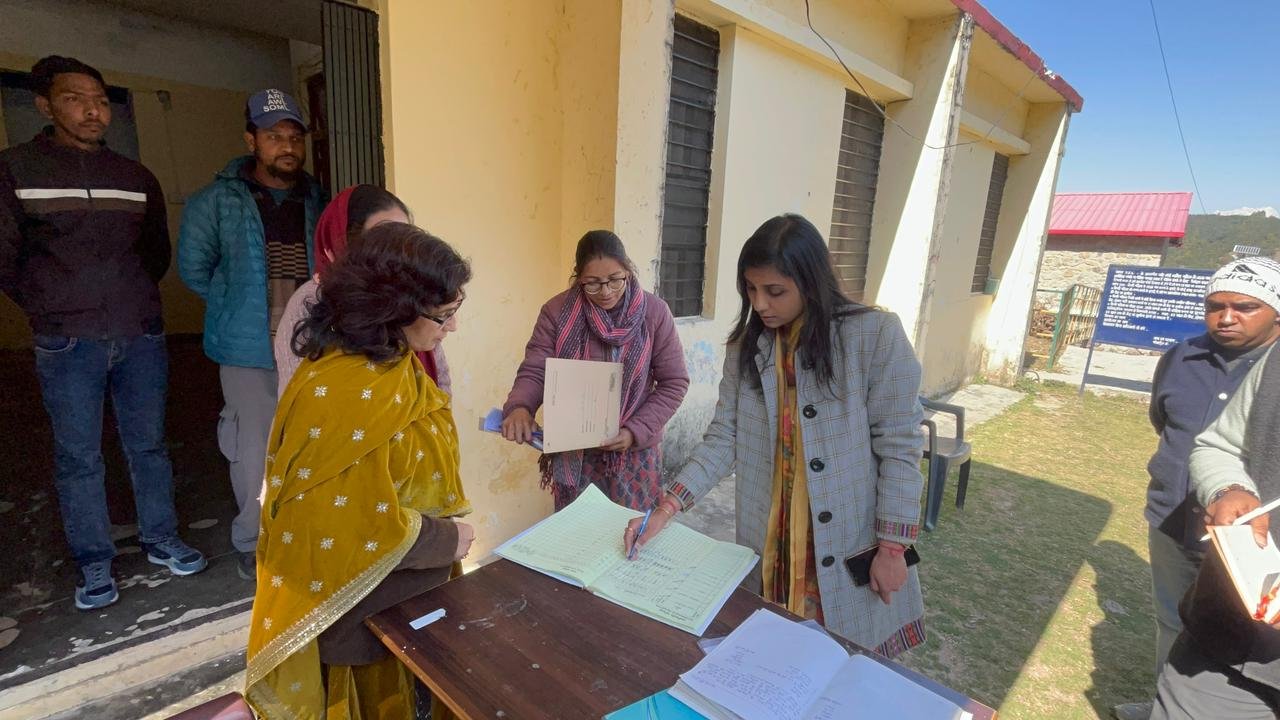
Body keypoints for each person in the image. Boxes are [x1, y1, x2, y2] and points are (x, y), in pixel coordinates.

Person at [623, 214, 925, 656]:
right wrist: (666, 508)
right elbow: (724, 438)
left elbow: (900, 447)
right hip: (771, 546)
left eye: (775, 291)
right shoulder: (748, 348)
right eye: (750, 289)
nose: (760, 303)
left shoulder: (873, 336)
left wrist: (893, 547)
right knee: (777, 661)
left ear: (811, 282)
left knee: (840, 666)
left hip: (850, 544)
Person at [244, 222, 474, 719]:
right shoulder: (343, 391)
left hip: (407, 603)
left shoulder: (388, 361)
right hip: (366, 623)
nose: (453, 327)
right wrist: (445, 539)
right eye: (444, 315)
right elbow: (332, 523)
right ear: (395, 308)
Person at [0, 56, 205, 610]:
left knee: (149, 445)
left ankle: (161, 538)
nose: (92, 111)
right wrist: (51, 306)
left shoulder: (134, 177)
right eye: (74, 99)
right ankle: (94, 561)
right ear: (45, 106)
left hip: (139, 333)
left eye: (99, 100)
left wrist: (135, 302)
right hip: (67, 339)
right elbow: (6, 257)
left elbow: (155, 252)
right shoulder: (17, 170)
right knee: (79, 457)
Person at [1114, 258, 1280, 720]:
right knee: (1173, 618)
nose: (1226, 318)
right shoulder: (1179, 358)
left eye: (1244, 307)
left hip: (1251, 541)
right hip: (1174, 517)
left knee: (1233, 637)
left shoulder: (1272, 369)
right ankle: (1162, 702)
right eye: (1215, 306)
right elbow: (1163, 420)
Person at [178, 88, 326, 581]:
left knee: (312, 442)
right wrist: (239, 308)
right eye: (273, 136)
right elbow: (195, 270)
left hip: (312, 344)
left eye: (294, 137)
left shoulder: (317, 199)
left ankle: (306, 531)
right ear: (251, 141)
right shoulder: (216, 201)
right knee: (253, 448)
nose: (287, 147)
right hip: (248, 348)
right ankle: (253, 540)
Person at [501, 230, 689, 510]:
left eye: (615, 280)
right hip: (576, 455)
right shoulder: (556, 312)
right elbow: (536, 369)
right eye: (592, 284)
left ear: (628, 271)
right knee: (578, 532)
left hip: (634, 455)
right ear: (578, 278)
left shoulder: (654, 313)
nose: (605, 292)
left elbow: (674, 382)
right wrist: (520, 407)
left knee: (630, 529)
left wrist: (634, 431)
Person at [273, 184, 451, 397]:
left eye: (405, 238)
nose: (397, 251)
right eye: (383, 238)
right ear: (345, 241)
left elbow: (440, 379)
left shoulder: (410, 294)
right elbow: (299, 394)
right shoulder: (312, 300)